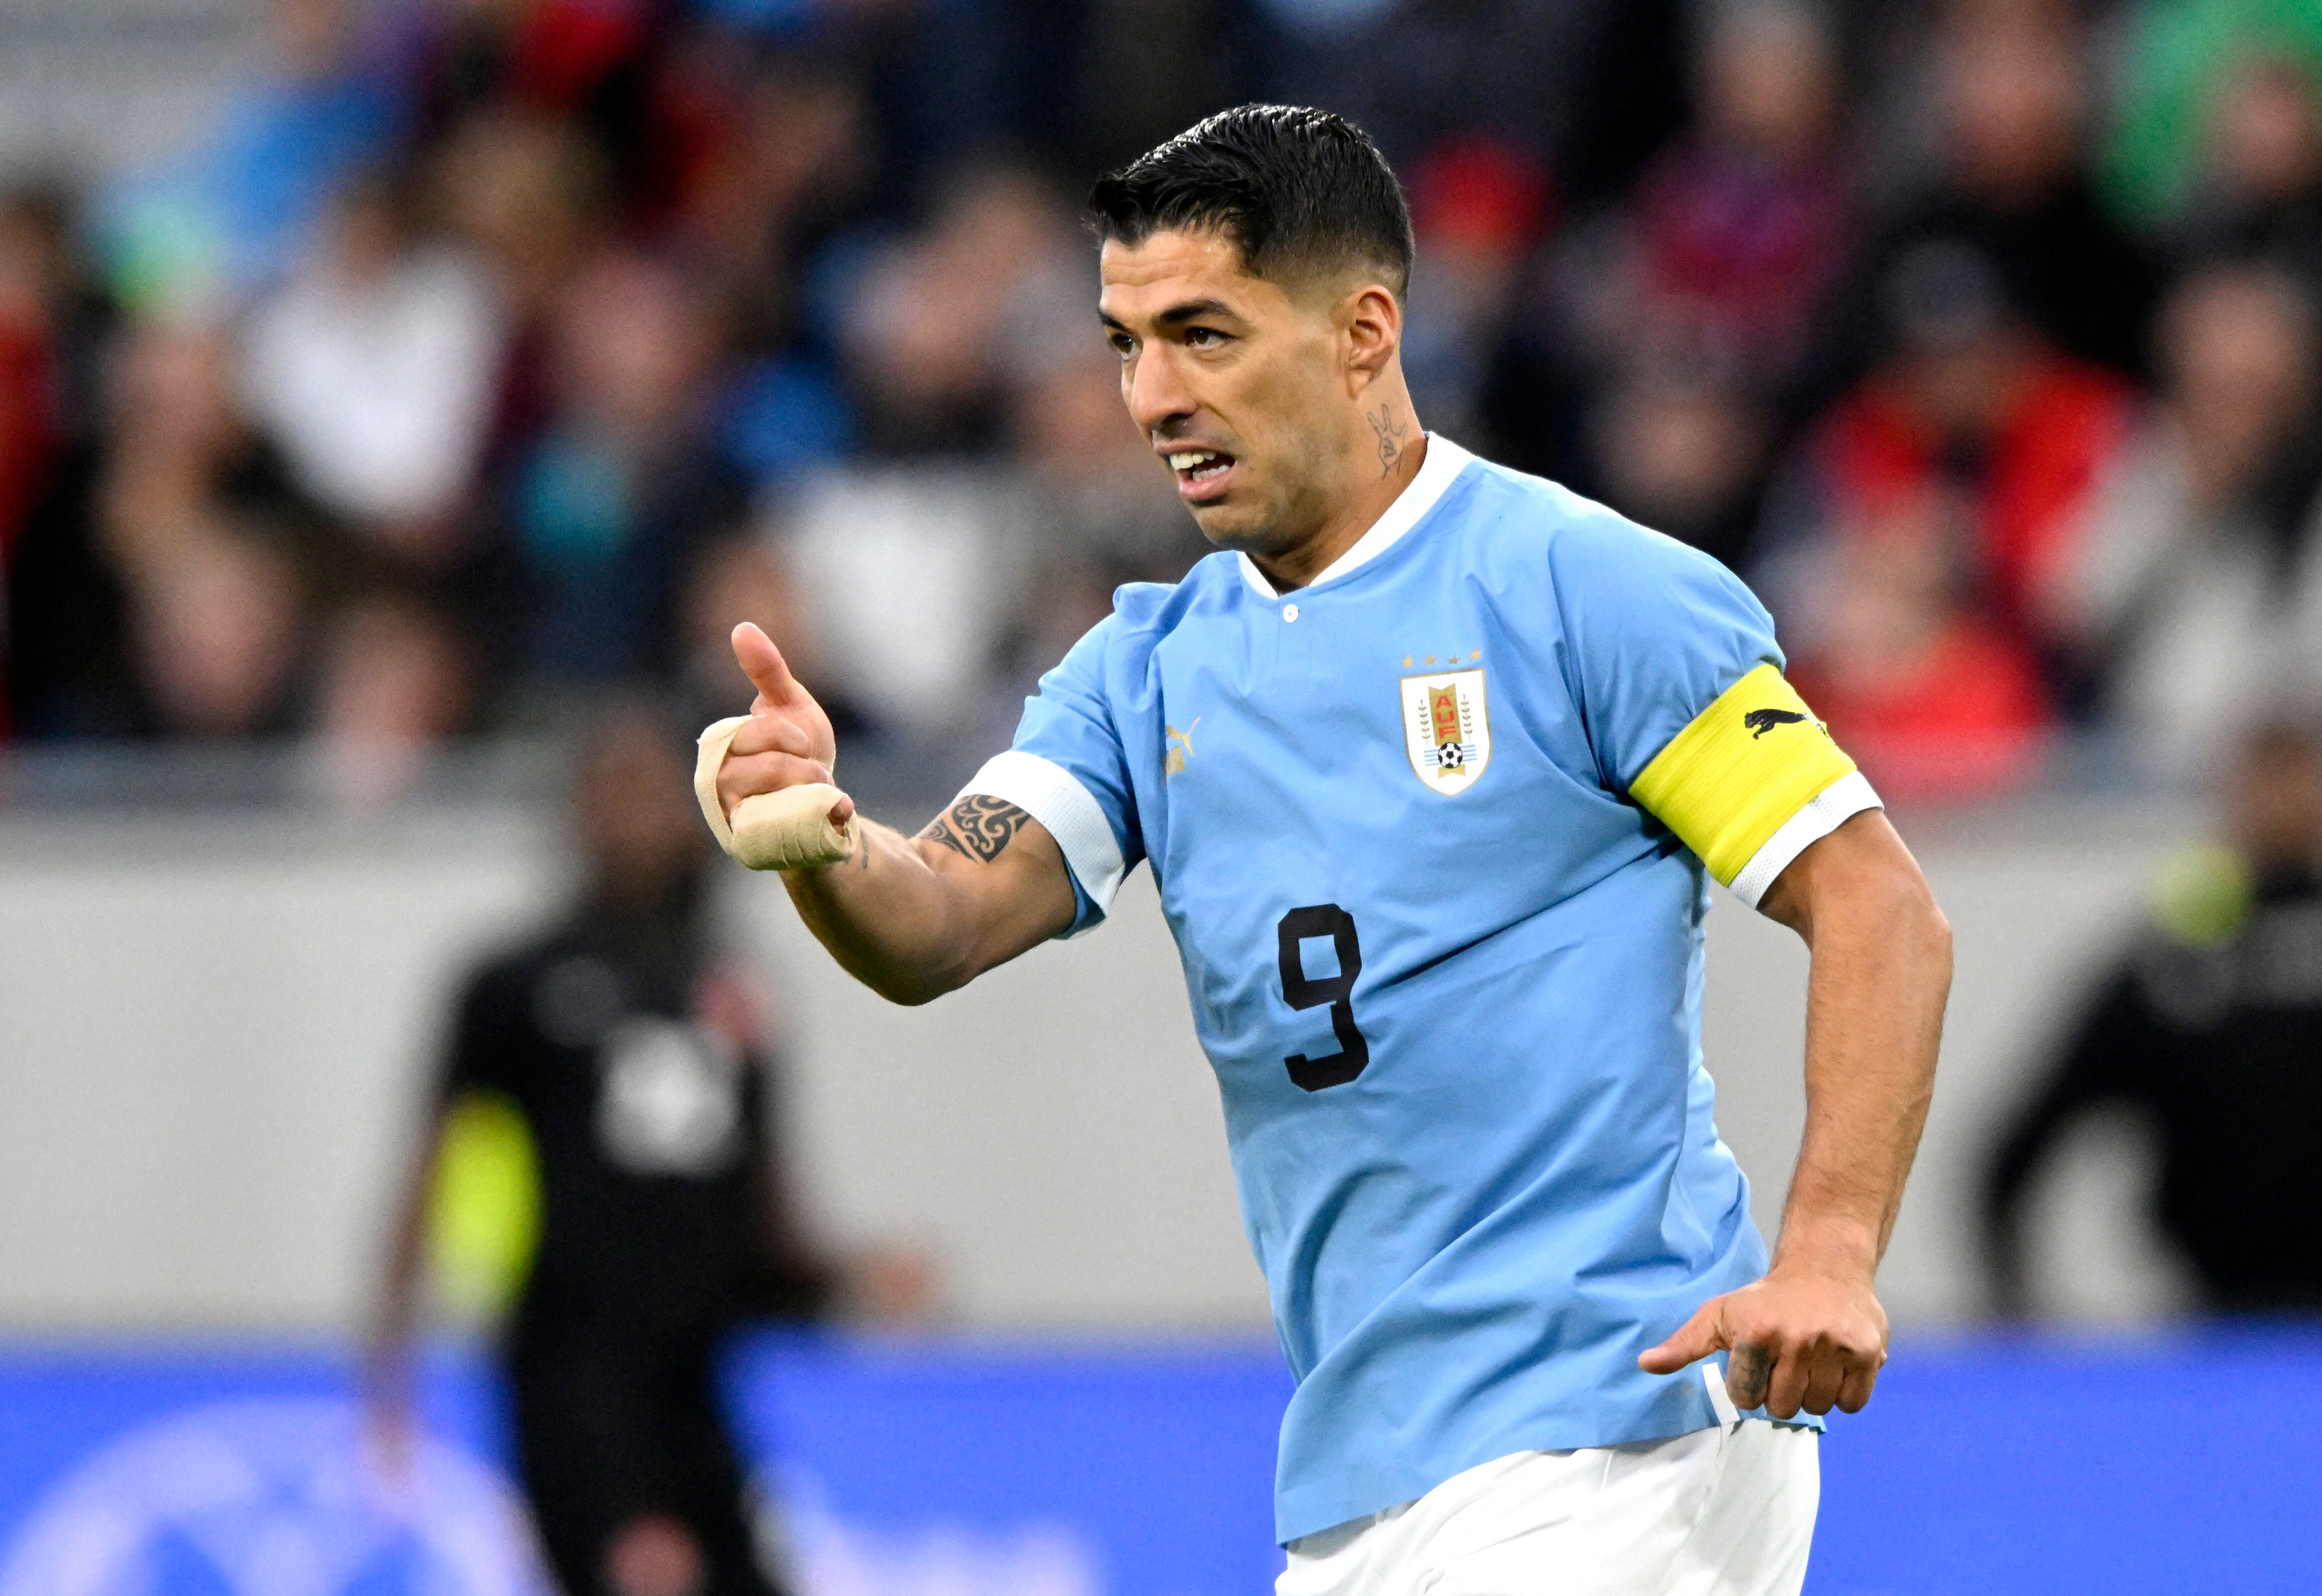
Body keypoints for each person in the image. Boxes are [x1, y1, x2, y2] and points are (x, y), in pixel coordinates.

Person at [702, 107, 1951, 1594]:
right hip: (1366, 1475)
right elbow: (939, 919)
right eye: (1124, 343)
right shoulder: (1143, 670)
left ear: (1363, 330)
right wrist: (822, 841)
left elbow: (1875, 900)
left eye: (1203, 335)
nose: (1150, 395)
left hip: (1617, 1429)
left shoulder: (1576, 587)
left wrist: (1821, 1252)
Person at [372, 701, 891, 1596]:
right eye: (610, 788)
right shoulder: (516, 983)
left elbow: (761, 1206)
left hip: (695, 1369)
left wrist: (846, 1279)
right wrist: (390, 1360)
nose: (633, 813)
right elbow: (428, 1166)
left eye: (651, 789)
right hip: (571, 1366)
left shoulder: (732, 986)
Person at [1982, 717, 2322, 1318]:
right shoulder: (2170, 970)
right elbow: (2018, 1147)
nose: (2288, 799)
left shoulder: (2171, 967)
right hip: (2215, 1314)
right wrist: (2016, 1310)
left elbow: (2014, 1154)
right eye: (2270, 777)